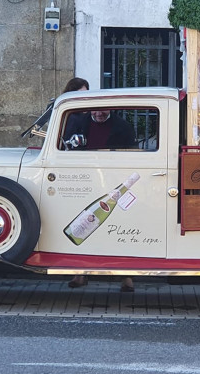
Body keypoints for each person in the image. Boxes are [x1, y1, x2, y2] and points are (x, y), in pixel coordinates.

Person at [61, 78, 135, 292]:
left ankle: (127, 277)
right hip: (87, 180)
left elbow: (132, 155)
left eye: (103, 111)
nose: (98, 114)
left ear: (110, 109)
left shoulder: (123, 127)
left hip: (114, 182)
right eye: (95, 111)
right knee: (83, 226)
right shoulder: (80, 123)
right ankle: (80, 273)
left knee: (118, 229)